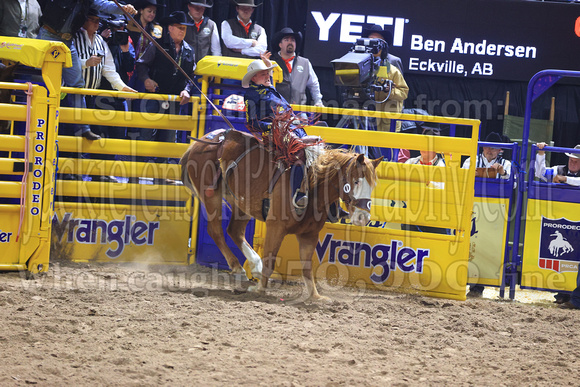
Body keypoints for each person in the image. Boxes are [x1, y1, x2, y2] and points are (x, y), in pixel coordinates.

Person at [37, 0, 137, 140]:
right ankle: (41, 120)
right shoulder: (82, 34)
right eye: (92, 20)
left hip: (66, 40)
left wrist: (122, 8)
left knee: (77, 84)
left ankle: (83, 128)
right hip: (48, 35)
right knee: (41, 79)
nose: (96, 23)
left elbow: (104, 4)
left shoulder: (89, 5)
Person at [243, 52, 309, 213]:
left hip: (293, 129)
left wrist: (267, 64)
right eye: (263, 74)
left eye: (268, 73)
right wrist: (274, 126)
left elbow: (270, 79)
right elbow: (252, 122)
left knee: (318, 150)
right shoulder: (252, 95)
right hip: (277, 133)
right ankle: (297, 195)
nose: (267, 76)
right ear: (253, 78)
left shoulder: (269, 89)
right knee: (298, 152)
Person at [135, 10, 195, 183]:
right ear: (170, 28)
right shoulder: (157, 44)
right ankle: (136, 174)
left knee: (168, 139)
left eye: (184, 28)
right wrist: (146, 80)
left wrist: (187, 90)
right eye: (179, 28)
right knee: (146, 135)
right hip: (154, 97)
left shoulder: (189, 50)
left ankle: (159, 177)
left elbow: (191, 77)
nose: (182, 31)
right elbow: (141, 65)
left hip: (174, 101)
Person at [535, 143, 580, 307]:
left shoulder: (564, 174)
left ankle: (572, 296)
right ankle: (563, 292)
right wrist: (541, 153)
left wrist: (564, 179)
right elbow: (540, 174)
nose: (572, 162)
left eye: (577, 160)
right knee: (566, 256)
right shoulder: (559, 169)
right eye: (571, 159)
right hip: (566, 219)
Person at [270, 27, 323, 107]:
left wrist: (318, 101)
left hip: (299, 110)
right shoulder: (271, 62)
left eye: (293, 40)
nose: (290, 42)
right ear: (280, 44)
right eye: (286, 40)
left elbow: (313, 84)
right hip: (278, 110)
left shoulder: (305, 63)